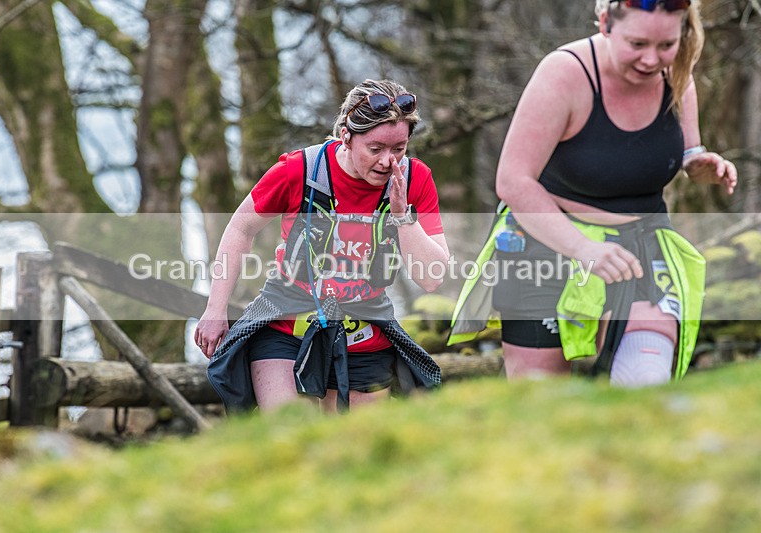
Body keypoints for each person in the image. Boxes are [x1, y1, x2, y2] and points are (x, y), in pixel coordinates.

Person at [449, 0, 737, 386]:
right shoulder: (565, 74)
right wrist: (582, 249)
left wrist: (697, 163)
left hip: (639, 247)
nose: (652, 60)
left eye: (665, 45)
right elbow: (514, 181)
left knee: (644, 382)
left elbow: (685, 151)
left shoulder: (677, 69)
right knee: (541, 407)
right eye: (637, 44)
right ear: (605, 23)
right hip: (544, 245)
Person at [196, 79, 450, 413]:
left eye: (399, 149)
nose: (388, 161)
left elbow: (432, 278)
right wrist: (215, 310)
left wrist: (404, 217)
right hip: (285, 324)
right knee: (288, 439)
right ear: (346, 135)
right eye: (375, 149)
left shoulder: (415, 180)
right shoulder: (299, 170)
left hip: (365, 328)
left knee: (356, 449)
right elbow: (241, 227)